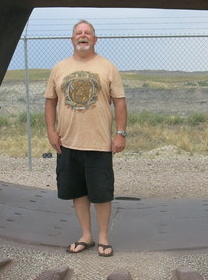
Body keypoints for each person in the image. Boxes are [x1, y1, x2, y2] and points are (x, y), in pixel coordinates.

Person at [44, 20, 127, 257]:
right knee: (78, 192)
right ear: (72, 39)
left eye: (87, 33)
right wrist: (51, 131)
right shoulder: (59, 67)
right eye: (78, 33)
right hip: (67, 142)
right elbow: (50, 101)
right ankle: (86, 236)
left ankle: (103, 238)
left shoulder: (108, 67)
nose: (83, 36)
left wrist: (120, 134)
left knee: (101, 193)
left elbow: (120, 102)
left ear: (95, 39)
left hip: (99, 143)